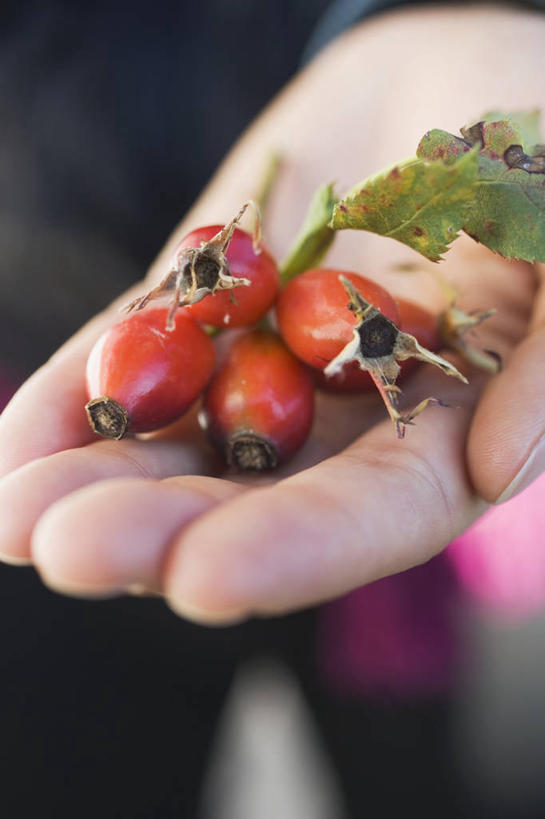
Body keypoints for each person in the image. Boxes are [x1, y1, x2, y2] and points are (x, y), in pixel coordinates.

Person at [1, 3, 544, 816]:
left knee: (400, 763)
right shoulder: (222, 316)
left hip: (372, 567)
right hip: (39, 288)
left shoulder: (267, 305)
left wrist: (430, 21)